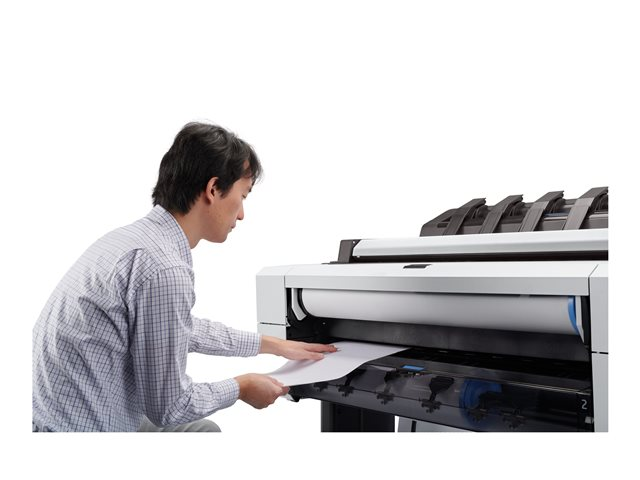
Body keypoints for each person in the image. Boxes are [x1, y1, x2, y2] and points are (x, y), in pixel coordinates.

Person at [32, 122, 336, 432]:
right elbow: (170, 407)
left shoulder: (131, 240)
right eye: (242, 196)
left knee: (201, 431)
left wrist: (270, 345)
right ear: (213, 189)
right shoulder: (164, 269)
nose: (242, 214)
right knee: (203, 432)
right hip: (82, 430)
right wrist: (241, 387)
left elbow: (171, 328)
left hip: (50, 418)